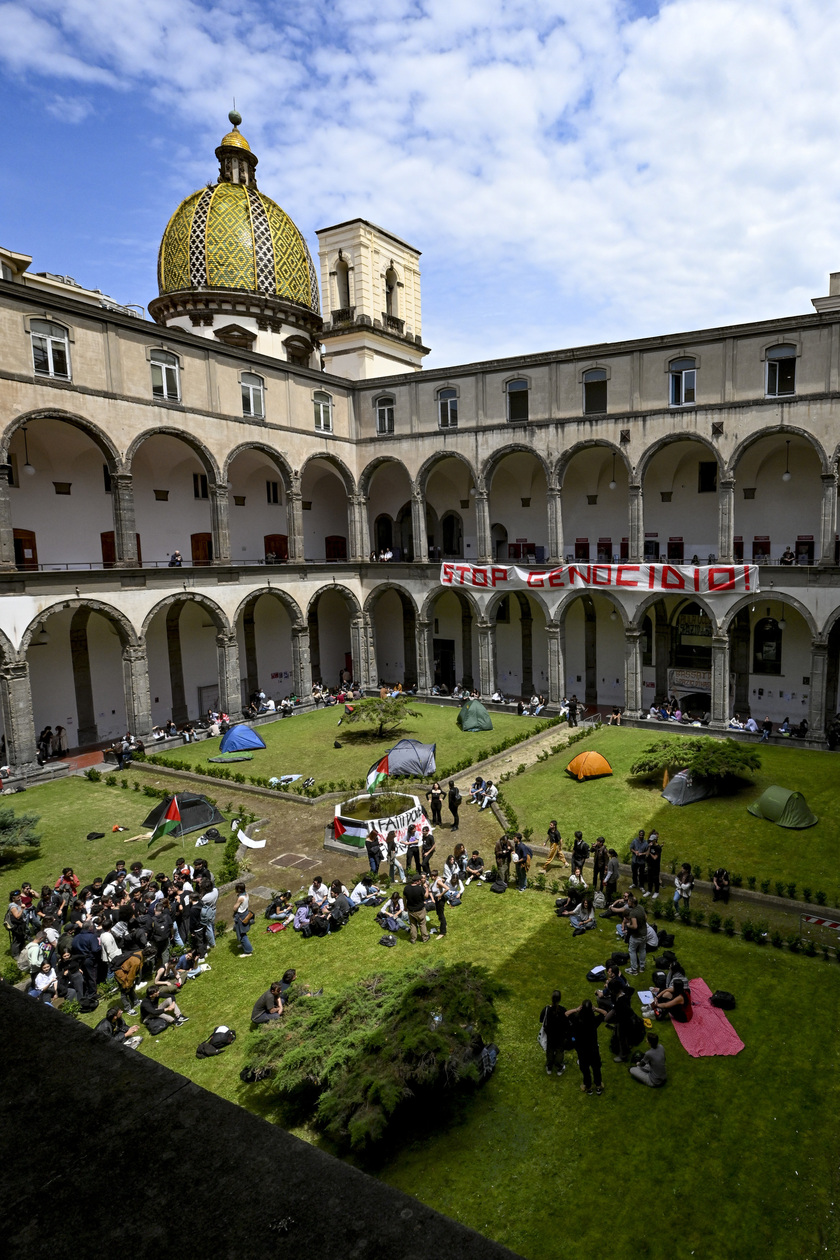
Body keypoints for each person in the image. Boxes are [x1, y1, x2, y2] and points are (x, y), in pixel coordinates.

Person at [566, 998, 604, 1095]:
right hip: (593, 1048)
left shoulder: (576, 1020)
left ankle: (588, 1087)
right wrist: (596, 1009)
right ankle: (598, 1086)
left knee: (585, 1069)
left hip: (582, 1049)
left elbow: (566, 1014)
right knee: (596, 1067)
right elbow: (605, 1014)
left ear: (581, 1008)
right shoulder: (594, 1021)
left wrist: (576, 1009)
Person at [539, 990, 568, 1076]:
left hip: (550, 1035)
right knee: (559, 1051)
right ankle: (559, 1067)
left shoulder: (546, 1009)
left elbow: (541, 1020)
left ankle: (549, 1066)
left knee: (550, 1050)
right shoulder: (563, 1010)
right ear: (560, 999)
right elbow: (567, 1022)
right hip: (560, 1036)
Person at [625, 900, 648, 975]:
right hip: (644, 933)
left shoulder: (633, 913)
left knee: (632, 950)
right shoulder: (641, 907)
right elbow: (646, 917)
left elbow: (635, 926)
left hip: (636, 935)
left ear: (632, 903)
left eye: (629, 902)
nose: (628, 903)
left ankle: (634, 969)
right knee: (642, 949)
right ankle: (642, 967)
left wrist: (628, 925)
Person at [404, 873, 429, 943]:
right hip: (420, 910)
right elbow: (426, 896)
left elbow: (404, 898)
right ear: (417, 881)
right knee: (422, 924)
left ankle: (413, 939)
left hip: (411, 910)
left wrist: (405, 906)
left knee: (413, 925)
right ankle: (425, 938)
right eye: (420, 880)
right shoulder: (420, 888)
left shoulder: (406, 888)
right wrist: (427, 888)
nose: (421, 881)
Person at [232, 882, 254, 956]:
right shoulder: (246, 894)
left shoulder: (240, 898)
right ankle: (243, 945)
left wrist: (235, 906)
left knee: (241, 934)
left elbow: (235, 908)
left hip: (240, 916)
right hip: (245, 913)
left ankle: (248, 951)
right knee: (242, 931)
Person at [645, 832, 662, 899]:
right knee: (649, 878)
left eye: (652, 840)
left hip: (655, 866)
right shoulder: (650, 846)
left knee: (655, 879)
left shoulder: (658, 848)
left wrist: (650, 854)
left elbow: (655, 857)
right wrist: (649, 847)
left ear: (655, 840)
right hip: (650, 865)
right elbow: (646, 854)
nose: (651, 841)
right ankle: (649, 890)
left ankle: (656, 892)